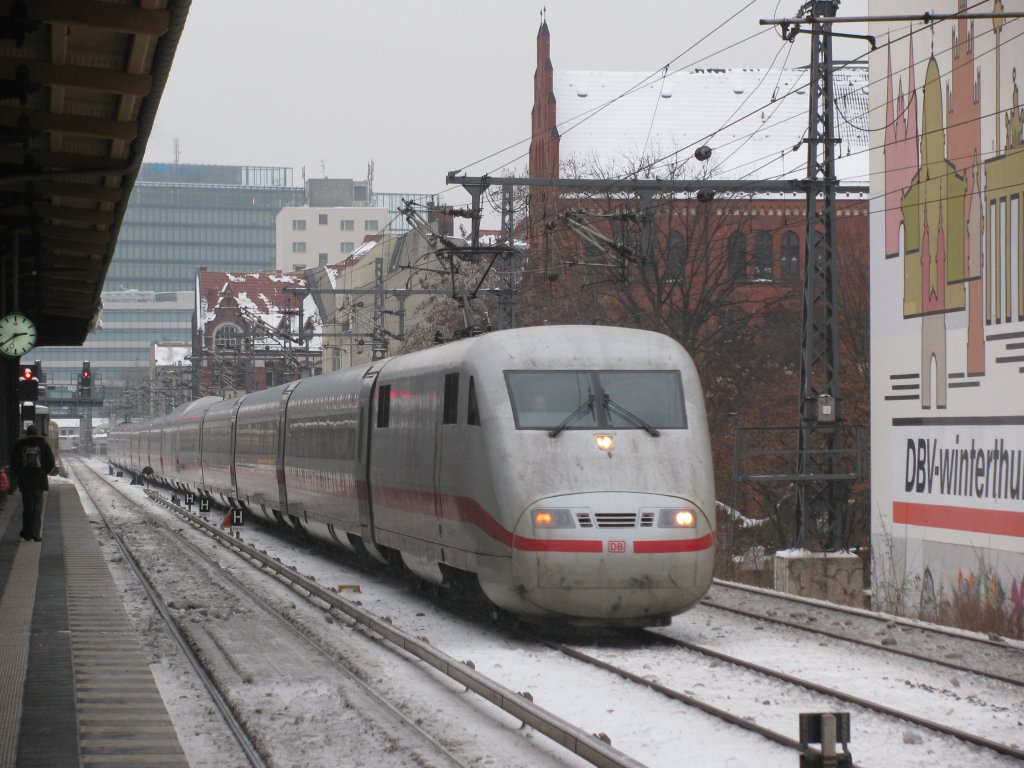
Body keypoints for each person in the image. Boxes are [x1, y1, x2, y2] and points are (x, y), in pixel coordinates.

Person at [11, 425, 55, 542]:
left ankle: (27, 533)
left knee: (27, 506)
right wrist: (43, 472)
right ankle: (36, 533)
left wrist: (21, 473)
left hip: (25, 480)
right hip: (39, 480)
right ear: (38, 433)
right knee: (37, 505)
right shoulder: (43, 445)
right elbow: (51, 462)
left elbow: (13, 464)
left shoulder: (20, 445)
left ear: (27, 433)